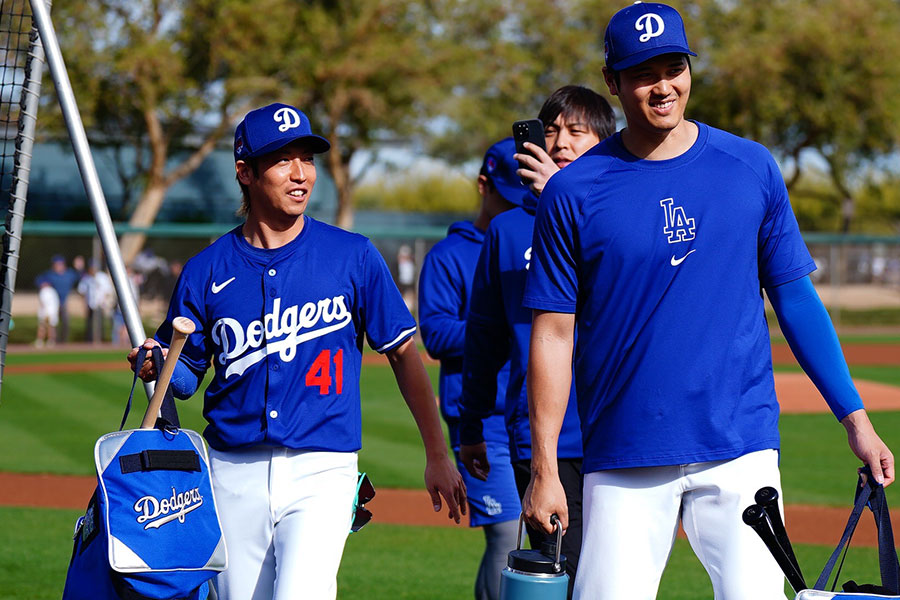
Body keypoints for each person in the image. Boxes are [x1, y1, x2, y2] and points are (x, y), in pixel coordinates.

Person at [521, 4, 895, 599]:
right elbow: (553, 333)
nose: (664, 85)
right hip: (625, 448)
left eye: (675, 66)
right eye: (644, 72)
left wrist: (856, 419)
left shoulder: (750, 167)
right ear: (614, 81)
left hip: (738, 445)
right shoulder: (573, 191)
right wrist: (545, 467)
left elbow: (795, 299)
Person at [127, 102, 466, 600]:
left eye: (306, 158)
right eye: (282, 159)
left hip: (322, 468)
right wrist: (157, 364)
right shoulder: (206, 269)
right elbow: (185, 375)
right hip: (232, 469)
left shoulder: (352, 255)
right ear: (245, 172)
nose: (301, 173)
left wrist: (438, 453)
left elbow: (403, 354)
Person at [459, 87, 616, 597]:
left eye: (577, 131)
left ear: (605, 142)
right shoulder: (505, 230)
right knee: (556, 581)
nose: (562, 142)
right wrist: (471, 424)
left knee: (617, 578)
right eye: (551, 131)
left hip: (622, 430)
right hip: (548, 438)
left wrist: (565, 200)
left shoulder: (620, 217)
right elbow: (483, 336)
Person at [418, 139, 523, 600]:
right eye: (507, 193)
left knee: (540, 538)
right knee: (507, 533)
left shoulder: (536, 239)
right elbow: (436, 335)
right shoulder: (448, 256)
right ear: (484, 185)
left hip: (537, 416)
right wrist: (502, 327)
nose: (517, 204)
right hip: (481, 421)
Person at [34, 255, 81, 344]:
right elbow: (39, 281)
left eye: (60, 264)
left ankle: (63, 341)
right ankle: (52, 340)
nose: (58, 266)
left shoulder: (69, 274)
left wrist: (79, 268)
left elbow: (79, 277)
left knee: (65, 322)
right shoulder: (49, 274)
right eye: (56, 264)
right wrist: (43, 285)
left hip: (64, 301)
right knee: (51, 323)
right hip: (53, 302)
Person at [78, 260, 115, 343]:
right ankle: (89, 341)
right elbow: (82, 291)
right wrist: (84, 305)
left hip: (100, 304)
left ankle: (101, 340)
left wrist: (105, 302)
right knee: (89, 324)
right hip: (90, 304)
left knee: (100, 324)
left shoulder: (102, 277)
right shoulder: (86, 278)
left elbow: (108, 291)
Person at [35, 279, 60, 347]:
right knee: (51, 327)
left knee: (43, 327)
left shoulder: (44, 291)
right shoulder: (53, 291)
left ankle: (40, 341)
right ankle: (50, 341)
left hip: (46, 312)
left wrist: (45, 313)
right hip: (52, 312)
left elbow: (42, 303)